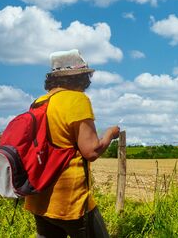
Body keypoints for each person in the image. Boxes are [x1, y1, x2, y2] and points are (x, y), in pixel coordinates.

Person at [24, 49, 120, 238]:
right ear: (79, 78)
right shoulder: (77, 100)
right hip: (71, 199)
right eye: (86, 77)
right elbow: (91, 151)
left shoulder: (39, 102)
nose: (88, 83)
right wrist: (110, 134)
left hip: (39, 195)